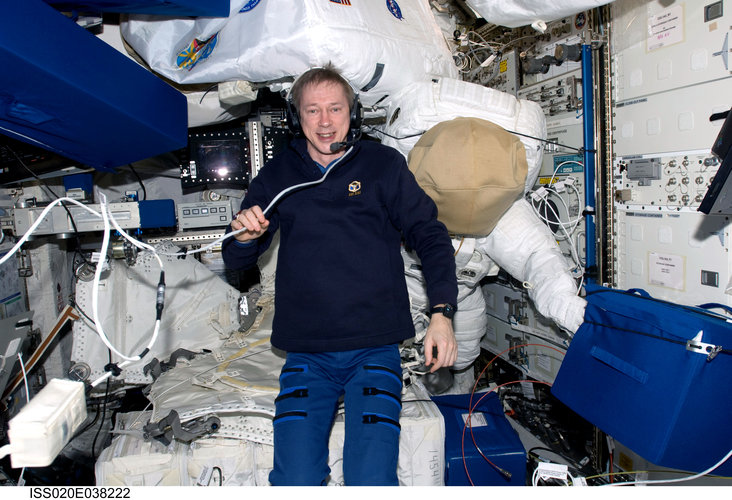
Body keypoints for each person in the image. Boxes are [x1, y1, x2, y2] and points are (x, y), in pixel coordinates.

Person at [222, 64, 458, 486]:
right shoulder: (279, 175)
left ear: (354, 113)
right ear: (297, 118)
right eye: (313, 111)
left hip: (374, 349)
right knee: (294, 479)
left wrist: (442, 313)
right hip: (307, 354)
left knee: (371, 479)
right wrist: (243, 236)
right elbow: (235, 259)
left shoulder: (383, 165)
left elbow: (430, 235)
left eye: (336, 108)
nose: (326, 122)